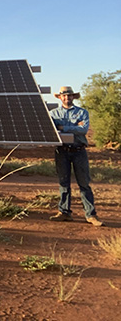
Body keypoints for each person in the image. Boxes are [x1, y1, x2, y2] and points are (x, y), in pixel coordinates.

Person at [49, 86, 103, 226]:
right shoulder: (53, 114)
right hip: (62, 151)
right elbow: (52, 130)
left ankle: (91, 215)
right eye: (64, 96)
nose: (67, 98)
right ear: (60, 97)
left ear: (73, 97)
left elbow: (83, 130)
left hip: (79, 151)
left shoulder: (82, 112)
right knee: (63, 183)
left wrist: (64, 128)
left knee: (84, 183)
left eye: (69, 96)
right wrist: (75, 127)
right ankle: (64, 212)